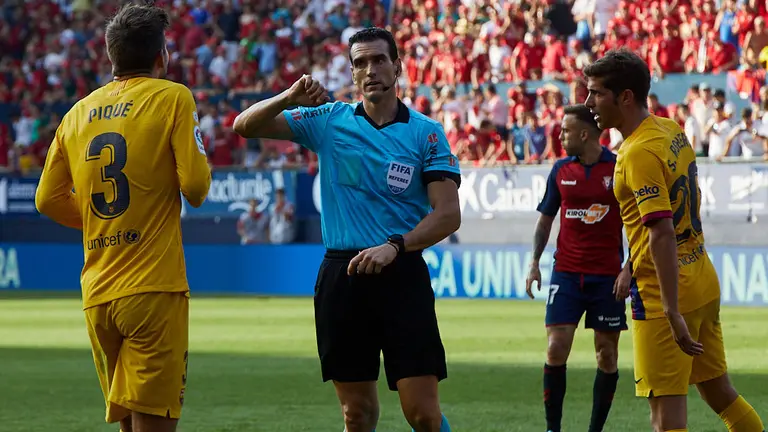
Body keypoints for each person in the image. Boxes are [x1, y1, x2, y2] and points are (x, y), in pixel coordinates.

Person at [233, 27, 461, 432]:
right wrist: (288, 97)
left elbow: (447, 215)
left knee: (422, 414)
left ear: (397, 67)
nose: (370, 70)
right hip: (343, 276)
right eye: (360, 63)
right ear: (352, 74)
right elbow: (244, 126)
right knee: (356, 415)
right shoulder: (328, 120)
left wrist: (395, 246)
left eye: (378, 60)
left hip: (402, 273)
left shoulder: (426, 133)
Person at [34, 4, 211, 432]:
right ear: (161, 56)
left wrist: (103, 223)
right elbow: (197, 189)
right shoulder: (173, 97)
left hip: (98, 293)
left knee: (130, 424)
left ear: (111, 57)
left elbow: (46, 199)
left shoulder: (76, 113)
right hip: (153, 290)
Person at [584, 48, 765, 432]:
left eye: (597, 93)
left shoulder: (637, 153)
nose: (588, 103)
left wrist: (669, 310)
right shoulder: (670, 130)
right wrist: (630, 263)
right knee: (721, 394)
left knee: (666, 419)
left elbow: (662, 231)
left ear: (626, 97)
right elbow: (672, 212)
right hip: (700, 276)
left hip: (665, 296)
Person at [526, 104, 631, 432]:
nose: (560, 135)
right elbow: (545, 222)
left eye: (566, 131)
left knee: (607, 356)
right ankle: (552, 429)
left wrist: (629, 268)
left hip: (607, 278)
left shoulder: (618, 169)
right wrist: (534, 263)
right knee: (556, 348)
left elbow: (639, 224)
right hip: (567, 274)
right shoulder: (560, 170)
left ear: (584, 134)